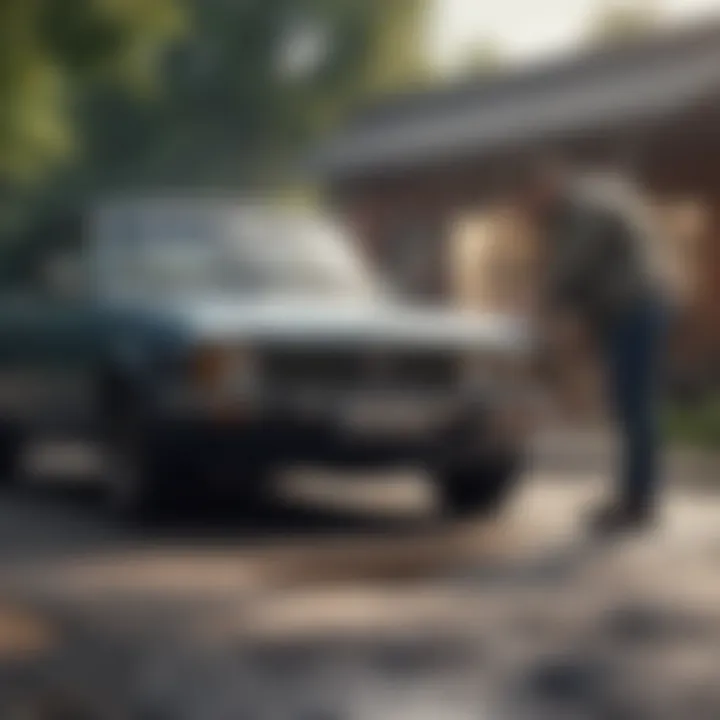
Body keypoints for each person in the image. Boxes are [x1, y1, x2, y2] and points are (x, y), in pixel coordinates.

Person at [518, 157, 671, 533]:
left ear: (549, 185)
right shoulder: (575, 212)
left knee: (634, 406)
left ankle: (638, 502)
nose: (534, 209)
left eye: (534, 199)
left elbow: (570, 268)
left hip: (636, 310)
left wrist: (535, 307)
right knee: (628, 405)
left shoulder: (589, 207)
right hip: (626, 314)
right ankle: (633, 497)